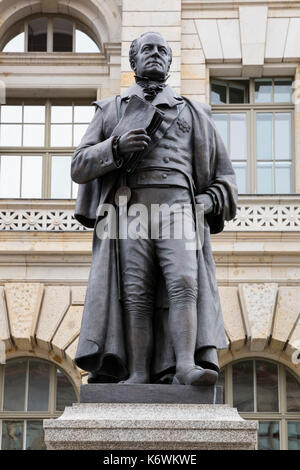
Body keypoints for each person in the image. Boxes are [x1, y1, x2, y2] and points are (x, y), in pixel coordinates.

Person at [71, 32, 238, 385]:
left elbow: (225, 178)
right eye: (148, 49)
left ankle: (185, 366)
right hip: (129, 210)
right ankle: (138, 374)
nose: (156, 55)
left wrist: (208, 201)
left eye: (163, 50)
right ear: (134, 61)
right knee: (136, 291)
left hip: (180, 209)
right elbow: (79, 165)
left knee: (183, 282)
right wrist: (115, 147)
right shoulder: (112, 109)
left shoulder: (194, 111)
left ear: (169, 61)